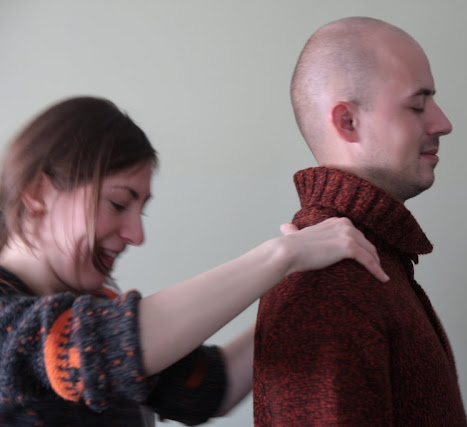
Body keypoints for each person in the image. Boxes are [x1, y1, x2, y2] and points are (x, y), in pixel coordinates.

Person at [0, 96, 389, 426]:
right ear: (37, 192)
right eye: (118, 204)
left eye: (139, 211)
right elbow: (93, 347)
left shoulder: (99, 308)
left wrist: (300, 292)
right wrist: (282, 255)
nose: (136, 234)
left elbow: (207, 388)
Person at [253, 17, 467, 425]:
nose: (443, 123)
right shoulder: (330, 281)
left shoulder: (369, 253)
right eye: (417, 105)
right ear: (348, 122)